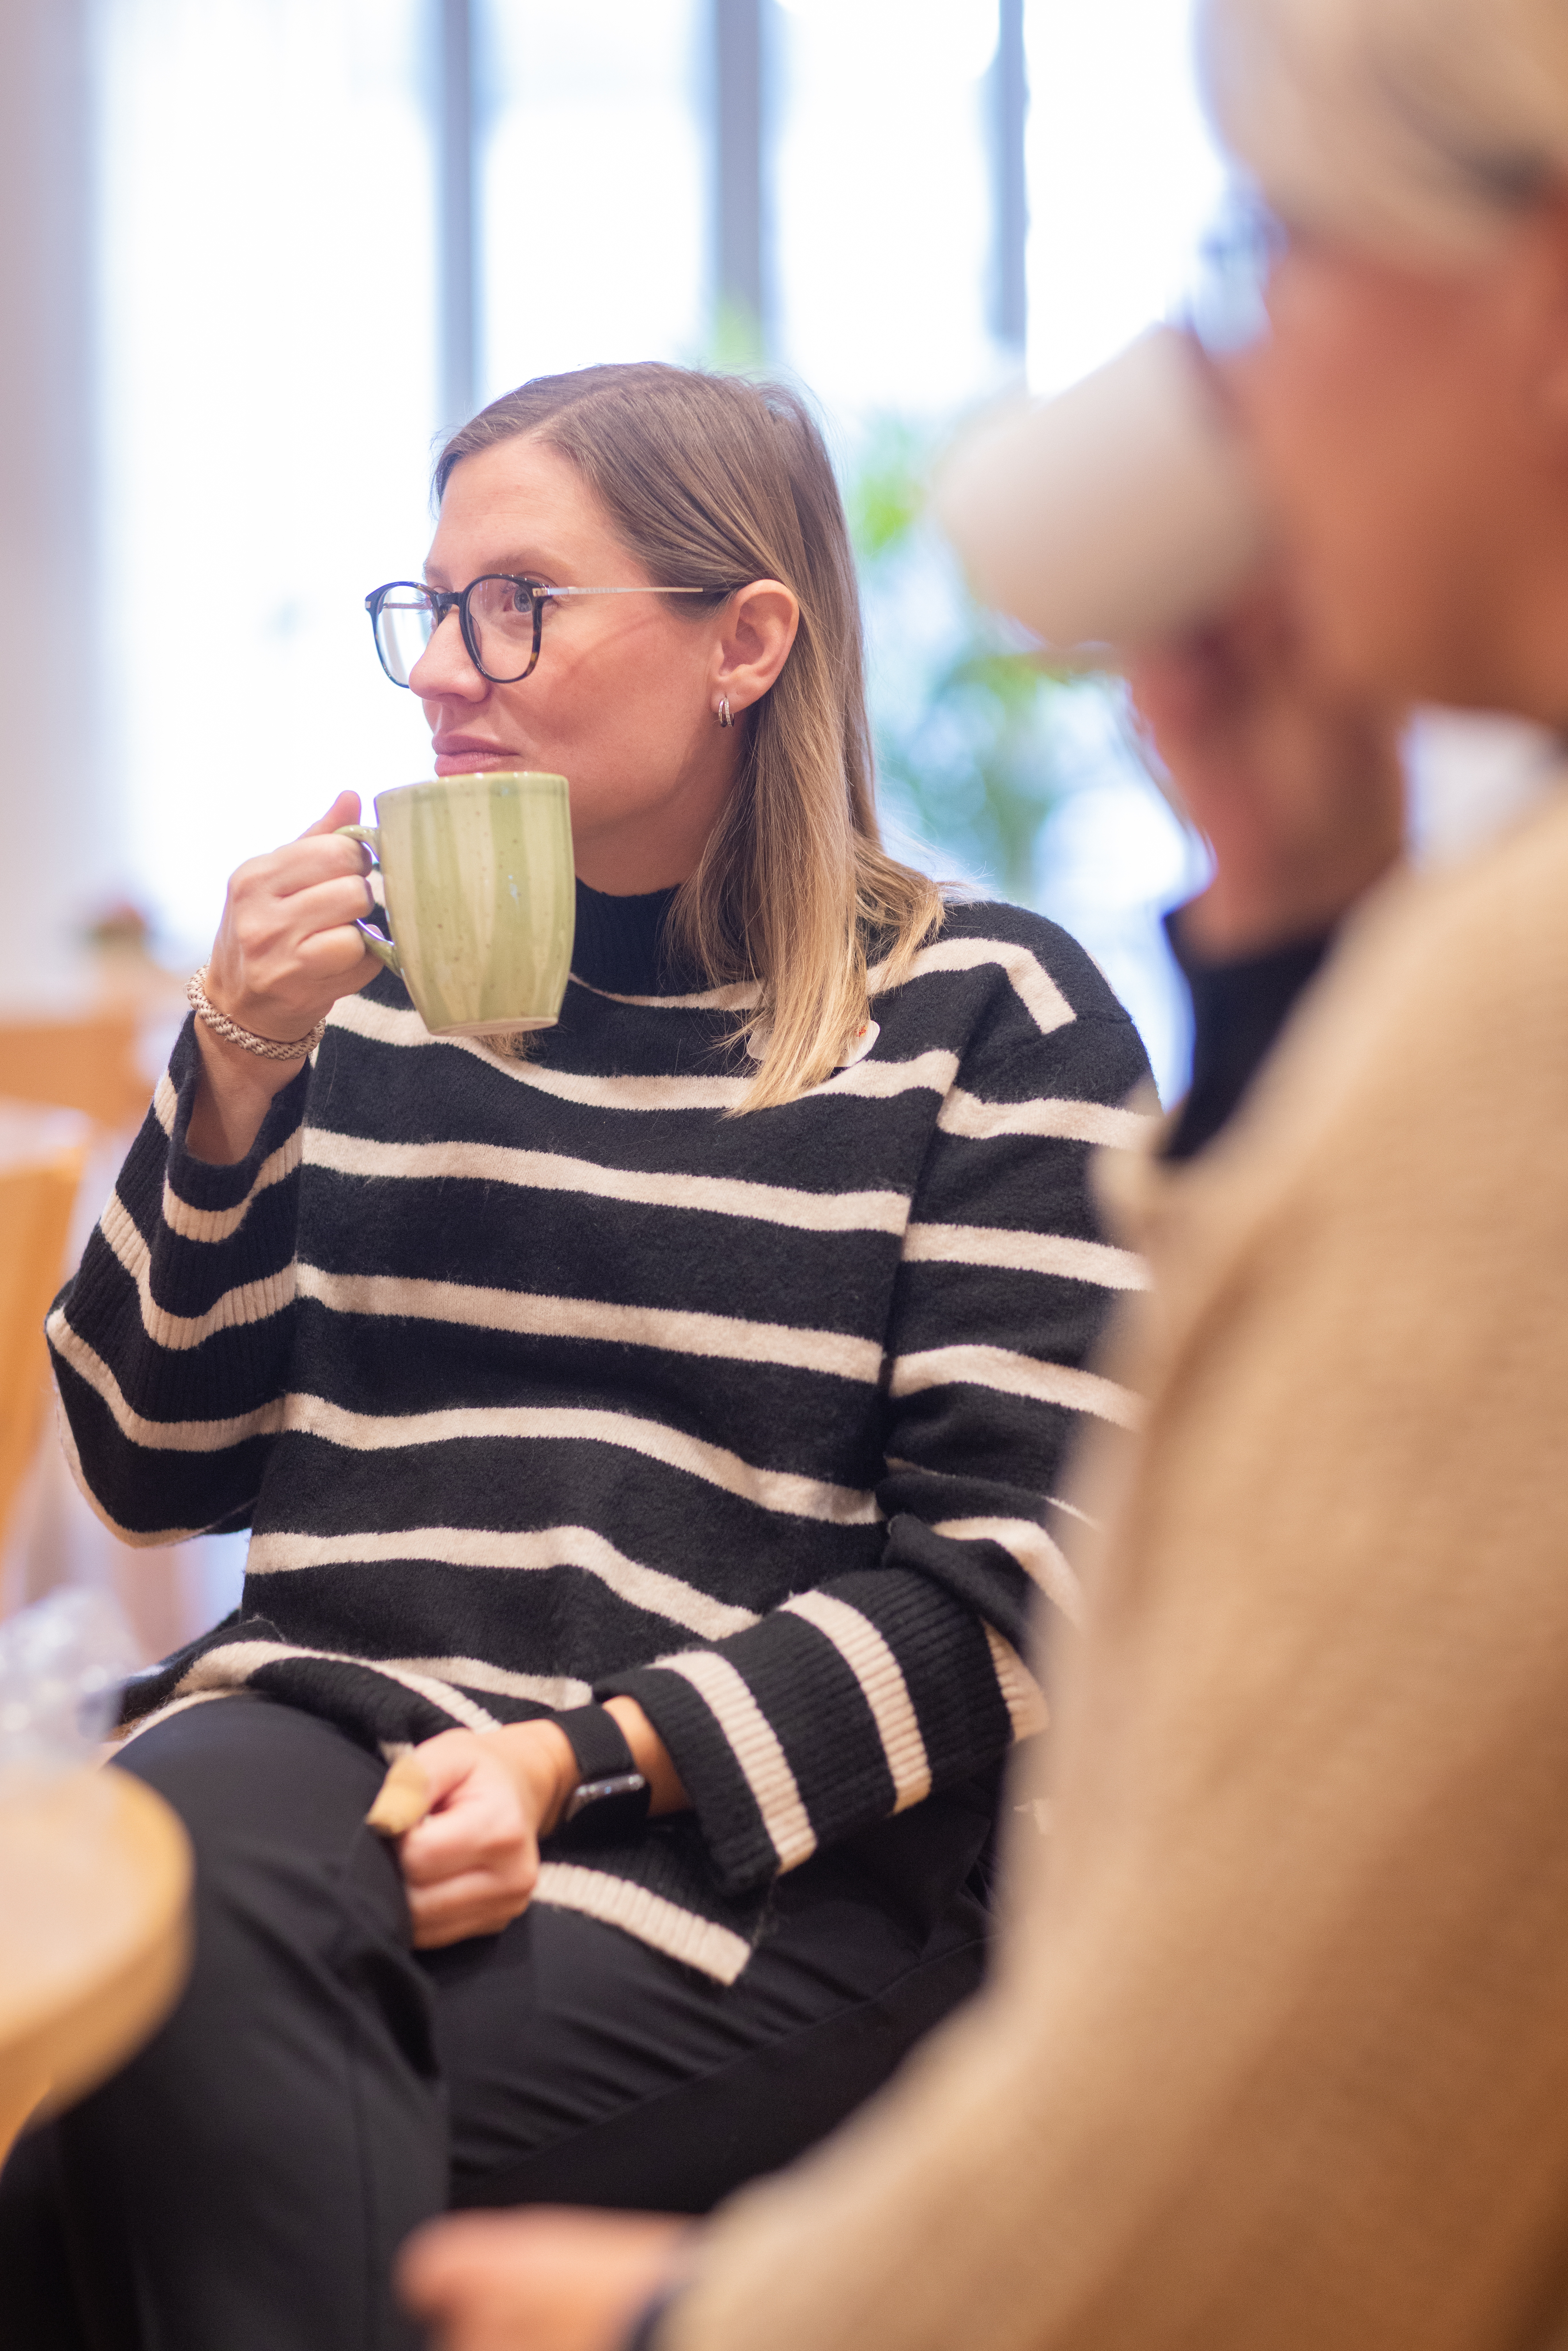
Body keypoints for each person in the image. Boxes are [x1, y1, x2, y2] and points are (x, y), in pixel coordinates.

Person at [394, 4, 1568, 2348]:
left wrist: (671, 2324)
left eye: (1263, 250)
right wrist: (1293, 912)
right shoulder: (388, 1006)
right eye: (430, 611)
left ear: (1525, 300)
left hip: (785, 1922)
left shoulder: (1466, 1013)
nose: (1216, 380)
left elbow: (1253, 2109)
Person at [1, 362, 1152, 2350]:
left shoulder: (991, 1021)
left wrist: (569, 1759)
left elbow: (1018, 1591)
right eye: (429, 605)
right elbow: (141, 1460)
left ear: (747, 642)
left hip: (752, 1856)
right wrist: (229, 1082)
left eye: (515, 601)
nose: (443, 668)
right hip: (312, 1774)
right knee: (168, 1932)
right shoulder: (350, 1009)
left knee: (95, 2145)